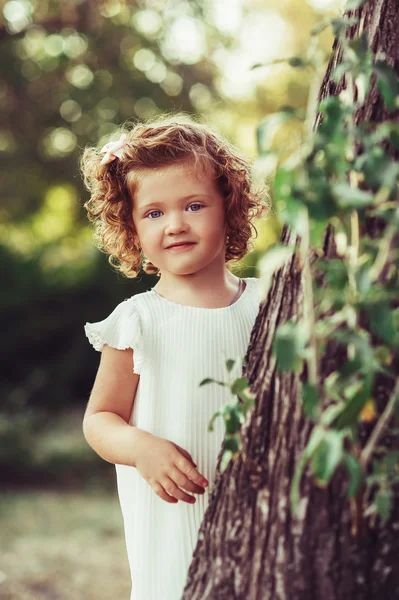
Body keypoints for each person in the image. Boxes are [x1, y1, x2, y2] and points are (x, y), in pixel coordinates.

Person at [80, 114, 269, 600]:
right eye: (154, 213)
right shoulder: (138, 320)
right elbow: (101, 418)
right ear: (131, 226)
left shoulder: (270, 303)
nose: (176, 224)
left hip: (263, 519)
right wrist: (141, 448)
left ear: (229, 206)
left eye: (193, 205)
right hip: (174, 519)